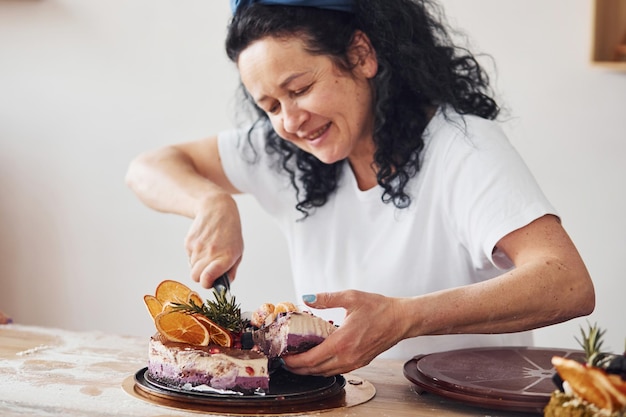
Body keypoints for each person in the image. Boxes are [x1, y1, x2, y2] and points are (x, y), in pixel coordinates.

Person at [126, 0, 595, 377]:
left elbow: (567, 281)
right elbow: (148, 167)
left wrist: (405, 318)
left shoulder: (463, 147)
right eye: (268, 105)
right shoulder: (288, 147)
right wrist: (210, 201)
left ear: (361, 55)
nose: (288, 121)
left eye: (300, 88)